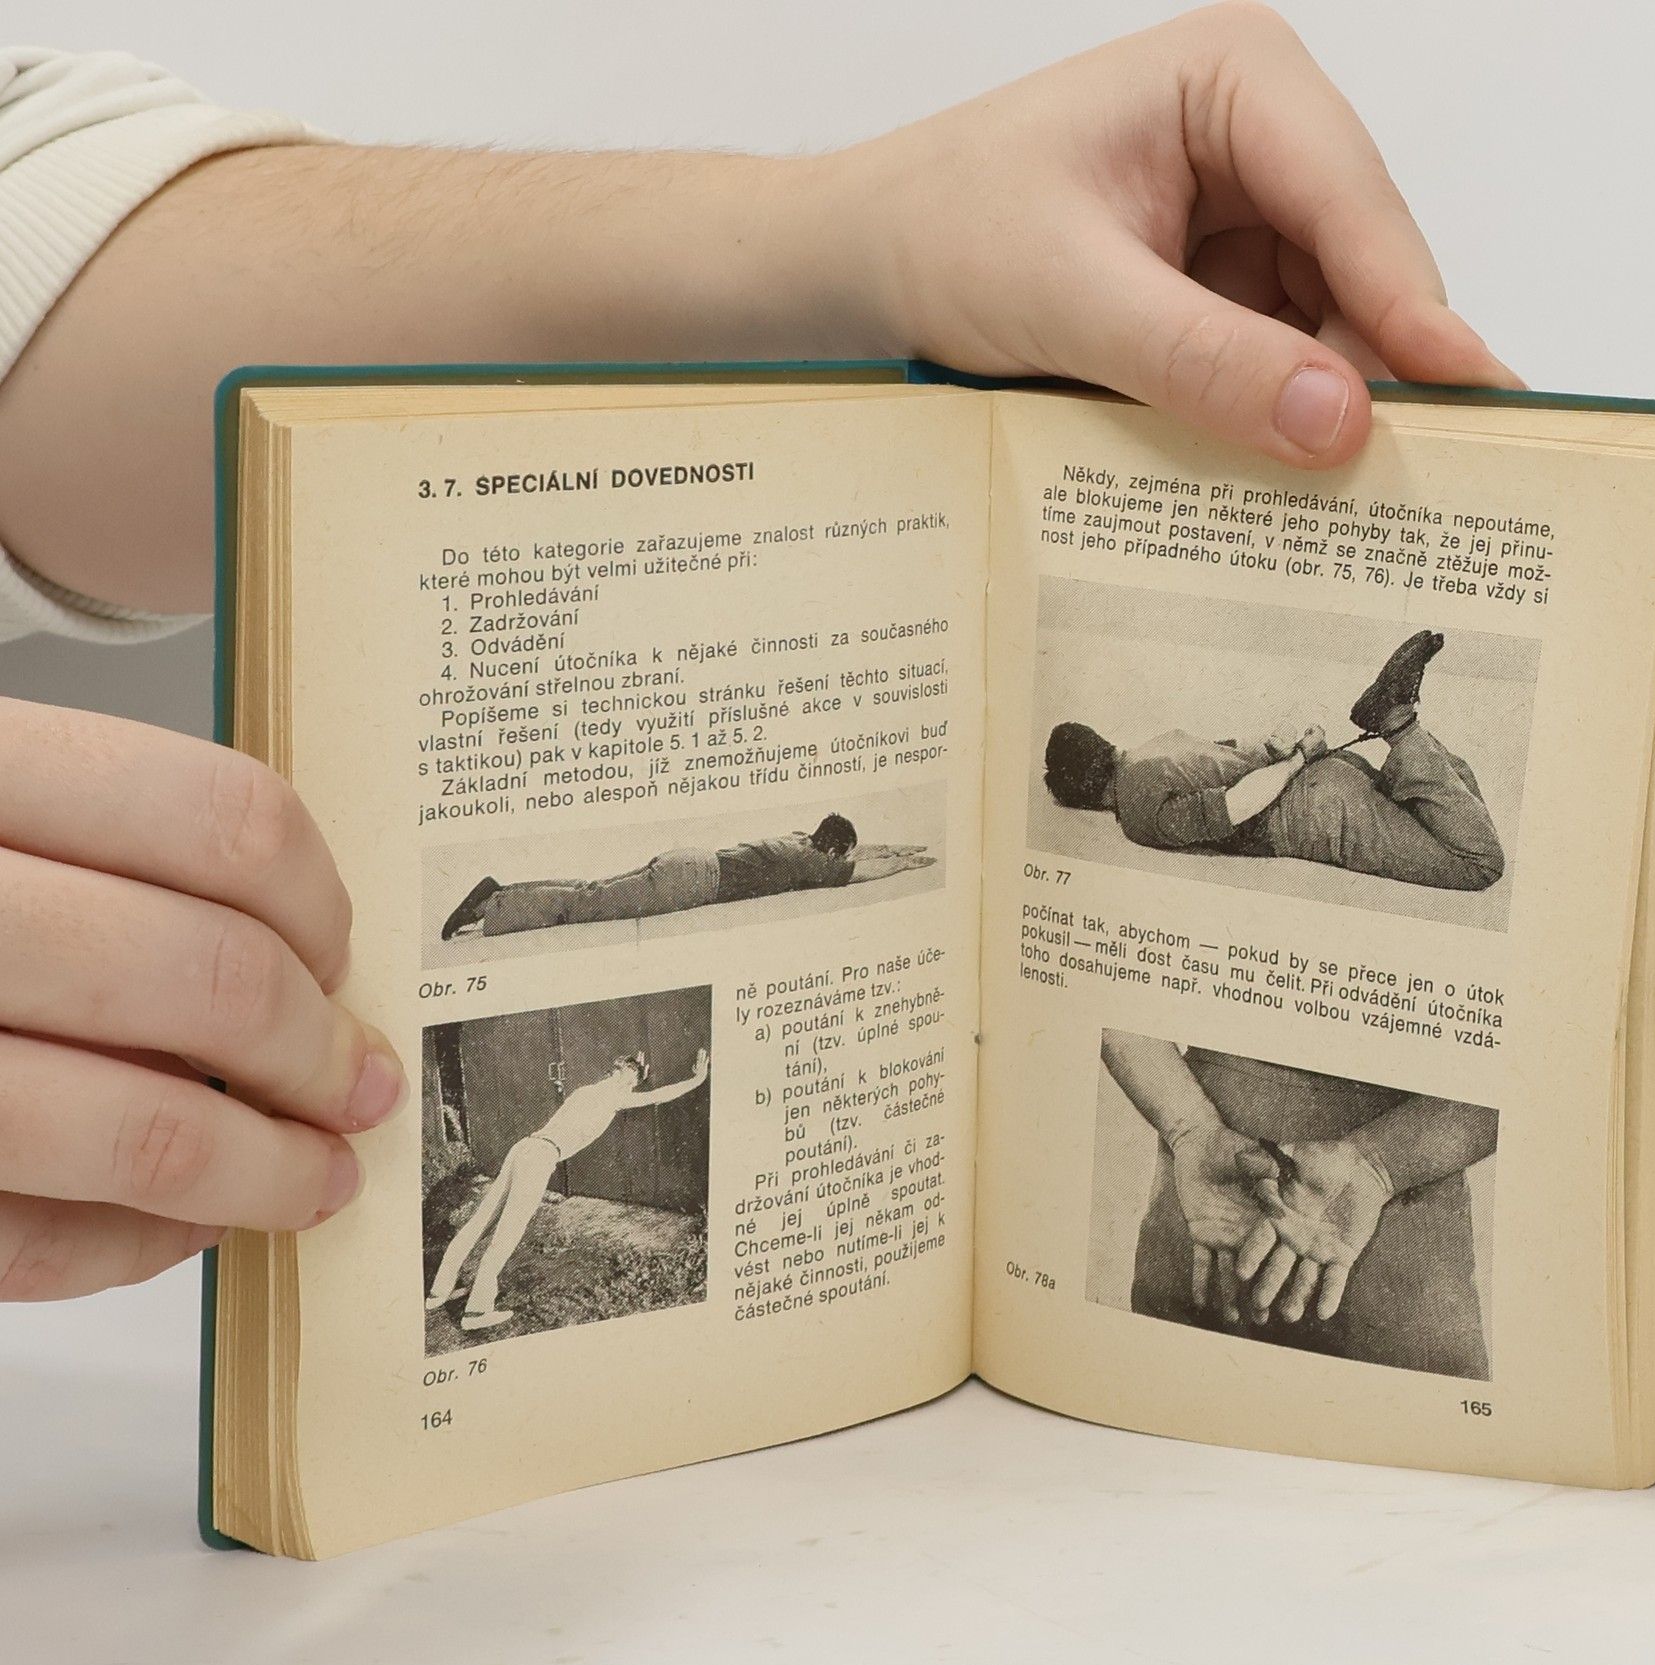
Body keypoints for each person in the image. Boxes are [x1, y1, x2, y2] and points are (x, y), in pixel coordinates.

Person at [0, 12, 1516, 1301]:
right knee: (1464, 865)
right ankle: (1395, 737)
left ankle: (501, 929)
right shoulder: (867, 857)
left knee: (583, 918)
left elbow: (31, 202)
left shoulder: (841, 863)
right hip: (705, 880)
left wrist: (858, 240)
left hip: (691, 881)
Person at [1100, 1031, 1496, 1379]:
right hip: (1393, 1201)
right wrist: (1377, 1165)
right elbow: (1521, 1063)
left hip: (1209, 1177)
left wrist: (1189, 1127)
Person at [1043, 628, 1507, 891]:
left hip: (1317, 814)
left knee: (1478, 863)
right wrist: (1293, 752)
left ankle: (1398, 723)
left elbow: (1236, 807)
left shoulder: (1136, 809)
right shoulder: (1160, 744)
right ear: (1102, 743)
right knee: (1453, 806)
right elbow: (1250, 750)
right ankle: (1404, 733)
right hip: (1330, 776)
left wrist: (1295, 763)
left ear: (1081, 793)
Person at [427, 1046, 709, 1334]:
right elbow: (658, 1096)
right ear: (625, 1078)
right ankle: (477, 1310)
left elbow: (621, 1084)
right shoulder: (615, 1096)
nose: (634, 1086)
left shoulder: (585, 1091)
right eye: (633, 1081)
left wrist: (631, 1071)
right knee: (508, 1232)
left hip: (523, 1147)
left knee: (480, 1221)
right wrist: (696, 1080)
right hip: (540, 1156)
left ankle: (438, 1292)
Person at [440, 814, 935, 940]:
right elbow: (860, 871)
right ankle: (490, 906)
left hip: (688, 863)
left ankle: (500, 894)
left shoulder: (799, 841)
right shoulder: (810, 863)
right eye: (840, 855)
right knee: (588, 905)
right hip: (692, 885)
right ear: (831, 851)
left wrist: (900, 847)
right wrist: (902, 863)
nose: (841, 862)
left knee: (591, 890)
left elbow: (856, 855)